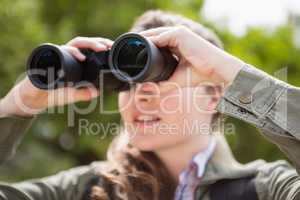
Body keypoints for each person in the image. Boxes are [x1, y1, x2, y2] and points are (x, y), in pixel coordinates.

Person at [0, 10, 299, 200]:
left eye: (163, 79)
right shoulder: (87, 189)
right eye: (126, 81)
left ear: (215, 95)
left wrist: (232, 74)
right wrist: (18, 103)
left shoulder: (267, 189)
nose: (140, 95)